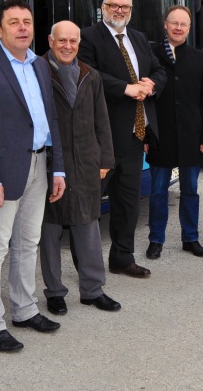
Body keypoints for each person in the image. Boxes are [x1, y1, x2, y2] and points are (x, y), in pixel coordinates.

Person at [0, 0, 66, 353]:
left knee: (27, 243)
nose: (22, 28)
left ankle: (24, 309)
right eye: (14, 22)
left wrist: (58, 168)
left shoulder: (40, 65)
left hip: (39, 165)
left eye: (27, 22)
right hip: (2, 173)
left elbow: (51, 120)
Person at [79, 0, 166, 278]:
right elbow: (88, 73)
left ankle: (122, 258)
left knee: (128, 204)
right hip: (101, 138)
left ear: (131, 11)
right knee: (90, 205)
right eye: (114, 5)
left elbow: (159, 70)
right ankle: (87, 266)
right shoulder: (88, 37)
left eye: (125, 7)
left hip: (133, 136)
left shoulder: (139, 38)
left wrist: (152, 84)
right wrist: (126, 89)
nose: (119, 11)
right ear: (103, 7)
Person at [39, 20, 121, 316]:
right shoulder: (37, 72)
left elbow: (102, 120)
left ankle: (92, 290)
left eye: (73, 41)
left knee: (88, 226)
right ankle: (55, 292)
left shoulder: (90, 75)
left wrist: (105, 159)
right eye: (62, 40)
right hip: (50, 164)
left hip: (86, 161)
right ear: (50, 41)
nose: (68, 46)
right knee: (49, 231)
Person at [145, 6, 203, 259]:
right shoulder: (150, 55)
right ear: (165, 24)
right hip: (159, 136)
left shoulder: (200, 58)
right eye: (174, 23)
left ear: (189, 28)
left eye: (183, 24)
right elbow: (144, 102)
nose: (178, 28)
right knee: (158, 192)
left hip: (191, 137)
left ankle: (191, 238)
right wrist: (145, 135)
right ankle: (156, 240)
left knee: (190, 191)